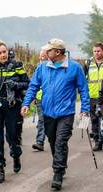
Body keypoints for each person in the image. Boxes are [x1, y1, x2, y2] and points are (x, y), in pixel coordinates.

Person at [21, 38, 90, 190]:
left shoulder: (74, 68)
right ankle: (61, 165)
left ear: (57, 52)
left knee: (60, 142)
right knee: (52, 141)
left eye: (49, 50)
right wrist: (26, 103)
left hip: (66, 113)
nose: (46, 52)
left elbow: (83, 89)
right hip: (48, 113)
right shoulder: (42, 67)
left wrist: (85, 109)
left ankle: (57, 173)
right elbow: (33, 86)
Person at [0, 40, 29, 183]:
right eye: (0, 53)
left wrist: (15, 85)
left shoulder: (17, 66)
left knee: (12, 136)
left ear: (7, 52)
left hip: (12, 106)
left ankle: (16, 155)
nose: (3, 55)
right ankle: (0, 168)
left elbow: (28, 83)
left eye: (4, 52)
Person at [84, 42, 103, 151]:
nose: (96, 53)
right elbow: (82, 79)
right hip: (91, 96)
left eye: (98, 51)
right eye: (94, 51)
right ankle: (97, 142)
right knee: (94, 119)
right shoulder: (88, 63)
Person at [31, 47, 48, 151]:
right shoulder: (38, 67)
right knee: (42, 119)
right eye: (40, 56)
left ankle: (42, 141)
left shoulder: (51, 68)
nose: (40, 58)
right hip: (39, 98)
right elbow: (33, 84)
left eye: (43, 56)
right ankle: (40, 141)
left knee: (45, 120)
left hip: (48, 98)